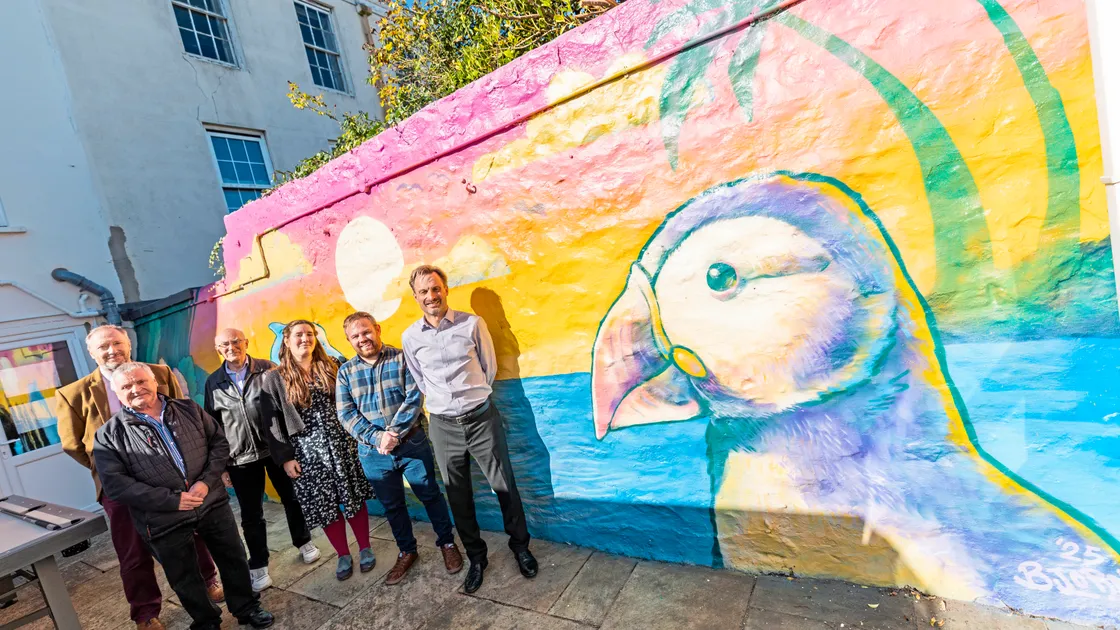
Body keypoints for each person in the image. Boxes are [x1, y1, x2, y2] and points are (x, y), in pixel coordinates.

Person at [55, 325, 222, 630]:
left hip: (170, 477)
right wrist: (110, 469)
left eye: (117, 344)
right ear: (91, 353)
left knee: (192, 533)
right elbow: (72, 444)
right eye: (103, 347)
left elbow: (179, 415)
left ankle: (209, 581)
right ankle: (145, 612)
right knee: (132, 550)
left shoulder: (159, 373)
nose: (111, 351)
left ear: (128, 344)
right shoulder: (73, 394)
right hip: (118, 489)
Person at [92, 363, 273, 630]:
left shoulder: (188, 408)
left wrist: (206, 482)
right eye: (126, 386)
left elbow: (219, 444)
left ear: (155, 382)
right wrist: (171, 500)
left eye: (141, 381)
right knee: (184, 575)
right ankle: (206, 620)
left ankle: (247, 608)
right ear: (117, 393)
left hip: (210, 503)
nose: (136, 389)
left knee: (233, 558)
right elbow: (117, 485)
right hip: (162, 518)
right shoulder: (108, 435)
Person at [401, 265, 537, 594]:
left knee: (504, 486)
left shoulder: (472, 324)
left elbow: (487, 368)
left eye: (436, 289)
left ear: (445, 289)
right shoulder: (410, 337)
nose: (431, 296)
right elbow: (420, 380)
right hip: (444, 426)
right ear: (416, 297)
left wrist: (471, 400)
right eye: (424, 292)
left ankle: (520, 547)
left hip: (480, 418)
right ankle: (477, 558)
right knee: (458, 497)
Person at [336, 311, 464, 585]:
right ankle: (407, 551)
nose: (363, 339)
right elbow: (346, 414)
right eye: (355, 336)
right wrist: (376, 438)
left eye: (366, 331)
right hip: (373, 454)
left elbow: (415, 397)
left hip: (412, 445)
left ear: (377, 329)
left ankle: (448, 544)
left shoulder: (402, 358)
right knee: (393, 506)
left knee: (430, 495)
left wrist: (392, 433)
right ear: (349, 340)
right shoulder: (345, 372)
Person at [203, 328, 321, 592]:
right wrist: (222, 465)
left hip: (275, 450)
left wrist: (289, 451)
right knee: (251, 514)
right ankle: (258, 564)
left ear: (246, 343)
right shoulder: (214, 382)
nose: (231, 346)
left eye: (236, 341)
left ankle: (304, 542)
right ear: (218, 349)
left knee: (292, 499)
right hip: (240, 458)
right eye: (225, 344)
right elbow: (214, 426)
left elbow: (285, 408)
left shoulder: (268, 369)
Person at [259, 320, 375, 581]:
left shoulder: (332, 366)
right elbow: (272, 421)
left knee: (353, 497)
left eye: (310, 334)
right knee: (325, 506)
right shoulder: (274, 379)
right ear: (286, 341)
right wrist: (285, 458)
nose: (305, 339)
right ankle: (343, 554)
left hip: (342, 444)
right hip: (308, 453)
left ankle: (365, 547)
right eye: (298, 335)